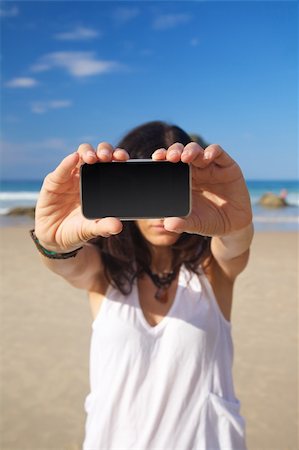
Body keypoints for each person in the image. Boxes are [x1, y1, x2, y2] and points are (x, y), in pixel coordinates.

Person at [31, 121, 253, 450]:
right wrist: (53, 242)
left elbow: (235, 244)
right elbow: (65, 263)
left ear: (193, 186)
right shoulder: (105, 272)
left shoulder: (212, 270)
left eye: (169, 187)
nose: (160, 212)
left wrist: (235, 220)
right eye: (146, 189)